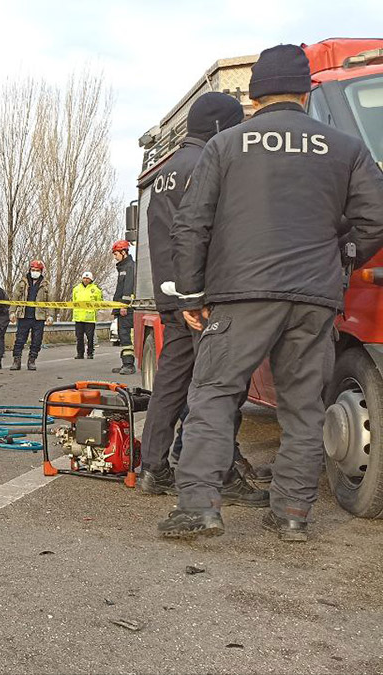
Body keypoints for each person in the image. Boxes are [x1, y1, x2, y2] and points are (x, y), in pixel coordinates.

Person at [160, 44, 383, 541]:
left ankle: (198, 507)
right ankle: (291, 515)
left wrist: (192, 295)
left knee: (214, 395)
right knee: (304, 407)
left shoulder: (226, 145)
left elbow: (190, 224)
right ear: (306, 90)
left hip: (241, 294)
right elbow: (376, 220)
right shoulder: (345, 148)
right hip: (314, 297)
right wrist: (341, 261)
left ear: (255, 93)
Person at [136, 91, 267, 508]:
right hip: (203, 297)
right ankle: (221, 473)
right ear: (218, 128)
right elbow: (209, 233)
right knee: (219, 387)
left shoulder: (167, 170)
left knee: (171, 384)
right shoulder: (209, 165)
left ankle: (153, 468)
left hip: (170, 295)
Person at [11, 260, 51, 371]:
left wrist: (50, 315)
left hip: (39, 317)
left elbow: (50, 301)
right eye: (33, 270)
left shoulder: (45, 285)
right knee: (19, 339)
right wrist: (12, 312)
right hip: (24, 316)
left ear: (41, 271)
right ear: (30, 270)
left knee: (36, 340)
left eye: (37, 270)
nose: (35, 272)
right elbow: (15, 297)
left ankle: (32, 360)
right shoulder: (22, 283)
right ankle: (16, 360)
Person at [110, 240, 135, 375]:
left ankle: (129, 365)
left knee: (125, 336)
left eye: (116, 254)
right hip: (121, 308)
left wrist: (124, 306)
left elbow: (128, 288)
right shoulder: (123, 268)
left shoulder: (130, 267)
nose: (115, 257)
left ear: (124, 252)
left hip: (127, 309)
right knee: (122, 335)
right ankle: (125, 363)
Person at [71, 271, 102, 359]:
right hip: (78, 317)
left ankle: (90, 353)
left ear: (91, 279)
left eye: (87, 278)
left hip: (89, 317)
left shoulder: (96, 290)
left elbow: (99, 302)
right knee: (79, 337)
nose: (86, 280)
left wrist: (94, 310)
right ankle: (80, 354)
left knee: (90, 337)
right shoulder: (76, 289)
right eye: (84, 278)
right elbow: (74, 301)